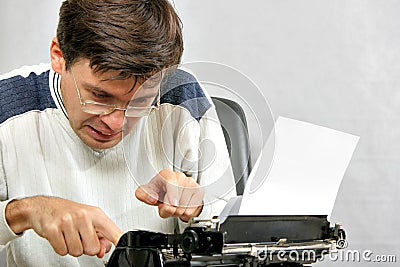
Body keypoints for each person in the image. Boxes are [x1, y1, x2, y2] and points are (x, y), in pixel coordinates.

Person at [0, 0, 236, 266]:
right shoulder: (6, 107)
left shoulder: (181, 99)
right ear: (58, 55)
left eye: (140, 102)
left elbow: (235, 236)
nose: (116, 123)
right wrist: (24, 212)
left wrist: (199, 208)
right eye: (99, 96)